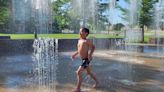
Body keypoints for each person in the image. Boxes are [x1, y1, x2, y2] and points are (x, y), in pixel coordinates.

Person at [71, 27, 99, 92]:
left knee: (78, 72)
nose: (80, 33)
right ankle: (97, 82)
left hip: (86, 60)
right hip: (83, 59)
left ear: (86, 33)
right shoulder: (79, 40)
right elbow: (79, 50)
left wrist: (90, 54)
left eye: (81, 31)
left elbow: (93, 47)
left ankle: (78, 88)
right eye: (79, 31)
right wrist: (74, 54)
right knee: (89, 72)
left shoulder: (86, 41)